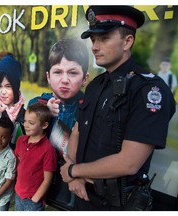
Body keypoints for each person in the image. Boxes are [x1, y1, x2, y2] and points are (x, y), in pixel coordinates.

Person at [60, 6, 176, 211]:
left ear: (128, 41)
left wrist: (73, 171)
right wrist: (73, 177)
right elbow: (77, 132)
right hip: (82, 194)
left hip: (117, 205)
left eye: (103, 38)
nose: (95, 46)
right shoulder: (96, 85)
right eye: (93, 39)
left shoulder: (148, 90)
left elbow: (129, 162)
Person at [28, 38, 89, 208]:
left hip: (71, 180)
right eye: (58, 72)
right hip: (39, 177)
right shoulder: (38, 102)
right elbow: (27, 127)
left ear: (85, 78)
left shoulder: (88, 107)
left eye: (73, 72)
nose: (64, 80)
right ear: (48, 76)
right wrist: (44, 113)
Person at [14, 103, 57, 211]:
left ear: (44, 125)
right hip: (19, 194)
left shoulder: (48, 149)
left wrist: (35, 199)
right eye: (25, 121)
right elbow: (19, 164)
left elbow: (48, 179)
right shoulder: (21, 140)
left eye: (31, 123)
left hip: (33, 200)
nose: (26, 125)